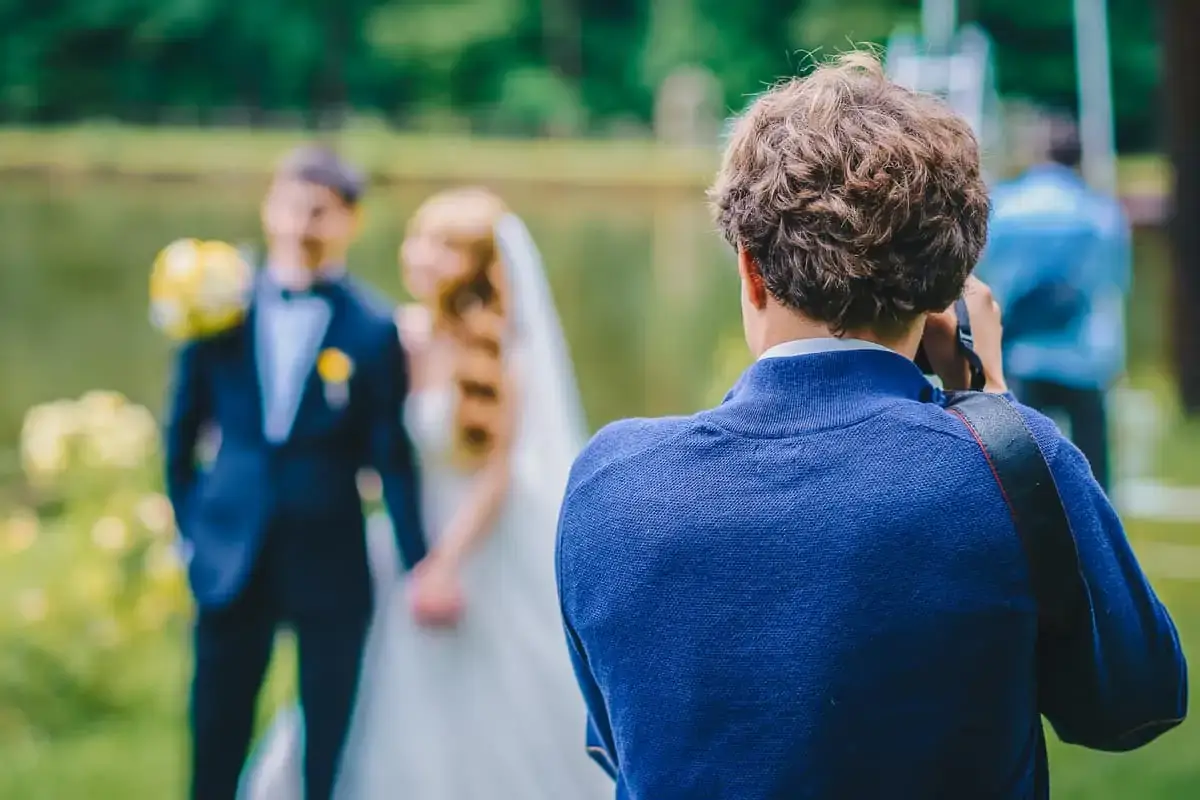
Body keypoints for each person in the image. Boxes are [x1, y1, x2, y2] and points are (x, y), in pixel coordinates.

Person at [556, 53, 1187, 799]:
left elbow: (621, 736)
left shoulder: (612, 479)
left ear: (751, 269)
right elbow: (1133, 704)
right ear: (947, 288)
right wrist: (993, 405)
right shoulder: (1013, 466)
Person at [242, 187, 613, 799]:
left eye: (443, 246)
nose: (419, 255)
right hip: (408, 531)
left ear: (476, 264)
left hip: (482, 536)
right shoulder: (398, 338)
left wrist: (446, 562)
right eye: (418, 239)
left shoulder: (502, 358)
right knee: (382, 681)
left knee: (496, 688)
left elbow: (498, 473)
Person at [164, 145, 428, 800]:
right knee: (216, 730)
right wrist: (189, 523)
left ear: (349, 222)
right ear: (268, 207)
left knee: (327, 737)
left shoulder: (373, 328)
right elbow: (180, 429)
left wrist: (420, 560)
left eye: (320, 210)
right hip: (229, 550)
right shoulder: (218, 304)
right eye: (290, 205)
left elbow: (390, 454)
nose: (302, 222)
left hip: (329, 558)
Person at [975, 114, 1132, 491]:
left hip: (1022, 352)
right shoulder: (1100, 212)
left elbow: (984, 274)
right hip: (1085, 353)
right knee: (1094, 475)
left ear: (1038, 154)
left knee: (1021, 475)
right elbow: (1114, 283)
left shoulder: (1008, 207)